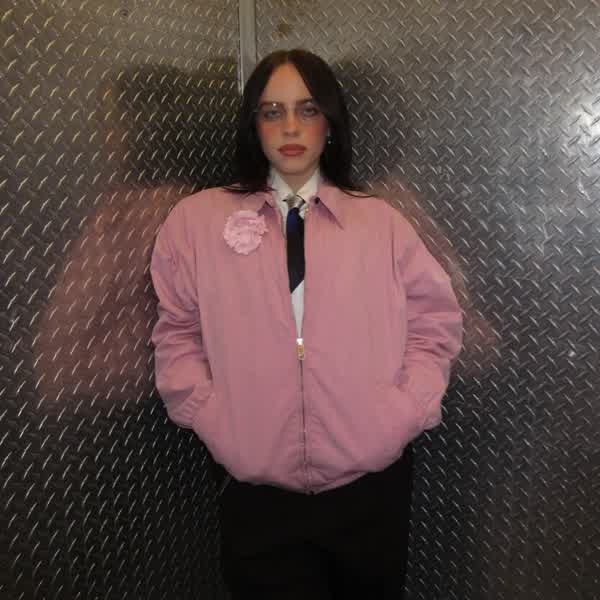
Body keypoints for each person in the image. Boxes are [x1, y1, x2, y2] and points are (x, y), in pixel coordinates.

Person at [150, 48, 463, 599]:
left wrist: (404, 410)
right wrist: (209, 413)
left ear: (331, 123)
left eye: (308, 109)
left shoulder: (381, 223)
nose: (290, 127)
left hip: (368, 487)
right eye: (272, 111)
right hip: (255, 491)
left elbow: (435, 321)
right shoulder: (195, 222)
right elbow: (177, 329)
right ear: (253, 123)